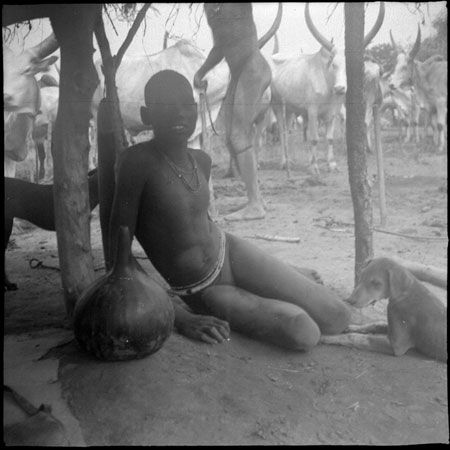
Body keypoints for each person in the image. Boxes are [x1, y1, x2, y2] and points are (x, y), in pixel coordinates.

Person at [109, 70, 351, 350]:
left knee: (337, 315)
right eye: (166, 106)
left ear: (197, 110)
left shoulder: (201, 160)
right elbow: (119, 256)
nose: (179, 114)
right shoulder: (137, 163)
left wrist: (283, 271)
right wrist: (182, 317)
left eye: (187, 105)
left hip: (232, 252)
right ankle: (278, 287)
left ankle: (283, 277)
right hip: (201, 289)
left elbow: (202, 224)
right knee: (303, 332)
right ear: (146, 115)